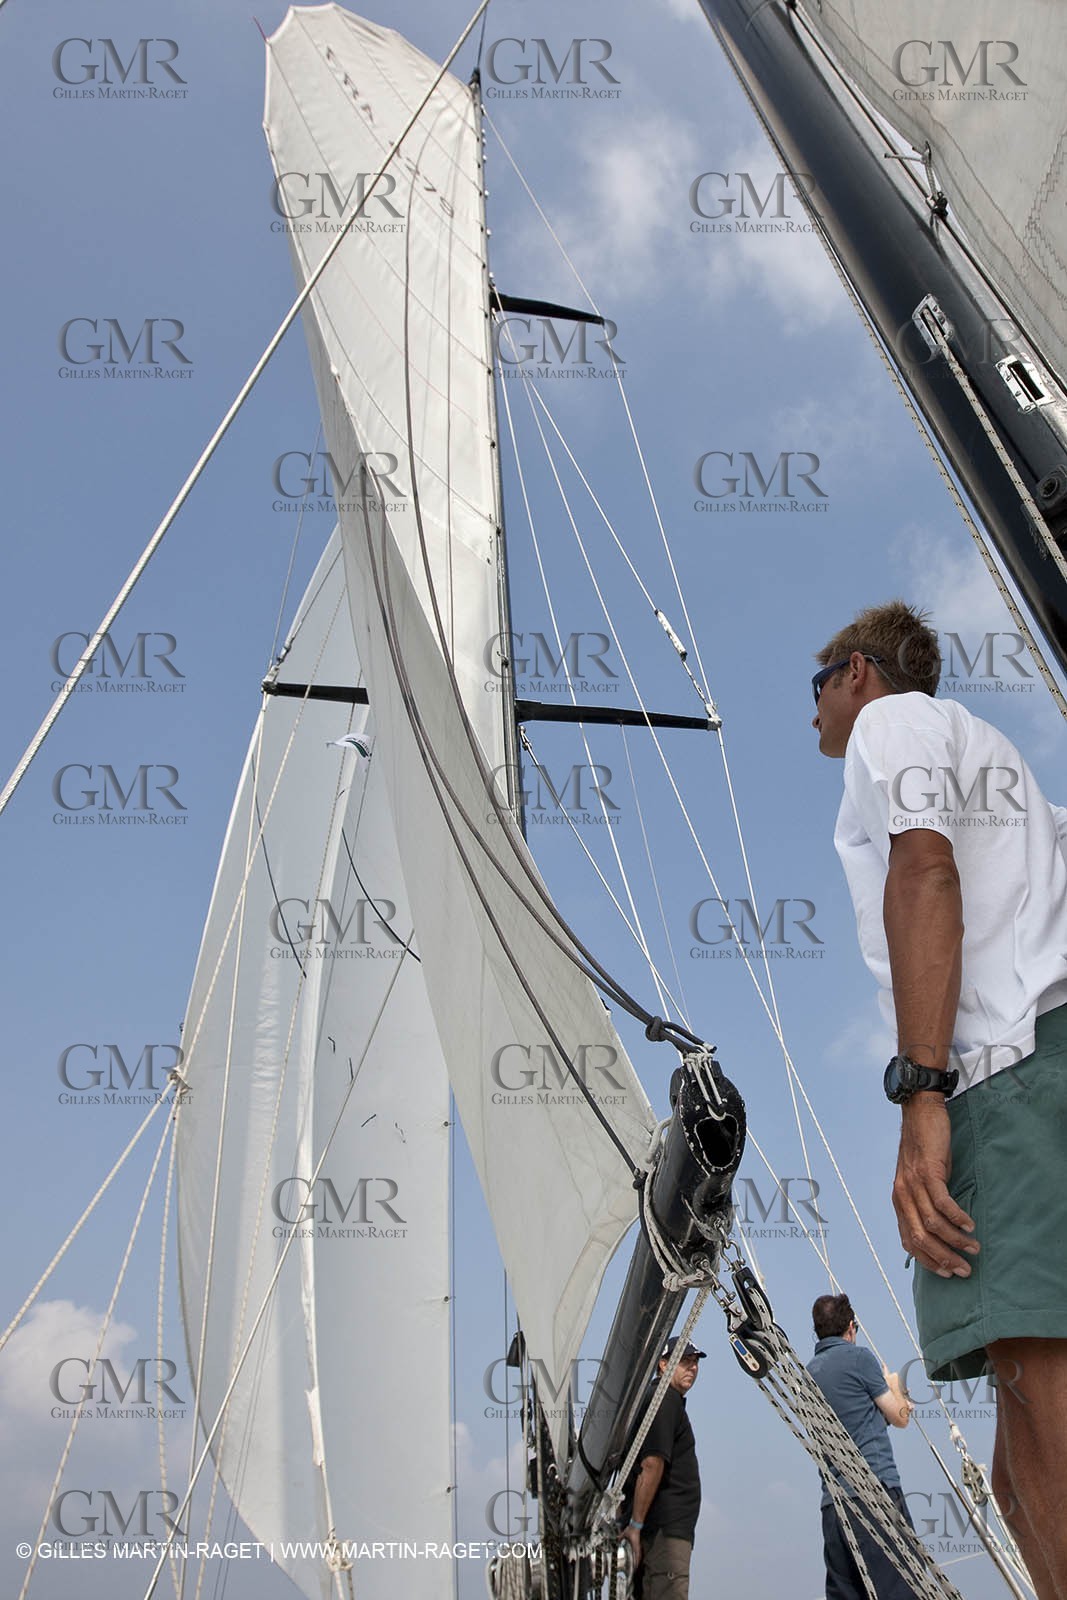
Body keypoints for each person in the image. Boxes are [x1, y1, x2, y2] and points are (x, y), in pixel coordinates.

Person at [812, 600, 1067, 1600]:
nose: (814, 710)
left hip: (1002, 1076)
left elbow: (924, 869)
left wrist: (922, 1092)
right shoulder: (997, 761)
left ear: (858, 672)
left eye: (818, 684)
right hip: (1033, 1066)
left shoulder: (893, 721)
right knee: (1015, 1471)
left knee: (1043, 1436)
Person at [808, 1292, 916, 1599]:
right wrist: (896, 1388)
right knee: (901, 1588)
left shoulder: (809, 1374)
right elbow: (900, 1418)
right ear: (851, 1327)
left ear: (817, 1331)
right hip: (874, 1495)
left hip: (834, 1508)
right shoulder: (860, 1359)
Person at [622, 1336, 704, 1598]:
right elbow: (652, 1463)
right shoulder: (664, 1399)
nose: (692, 1367)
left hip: (659, 1530)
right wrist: (636, 1526)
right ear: (663, 1364)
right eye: (684, 1361)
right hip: (663, 1534)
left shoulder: (663, 1399)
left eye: (695, 1362)